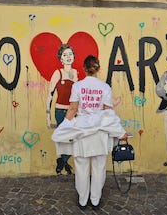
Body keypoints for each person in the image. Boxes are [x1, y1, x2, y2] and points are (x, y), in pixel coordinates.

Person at [52, 55, 128, 210]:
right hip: (100, 133)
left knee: (81, 168)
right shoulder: (105, 87)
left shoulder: (78, 86)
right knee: (99, 168)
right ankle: (95, 200)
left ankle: (82, 200)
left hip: (81, 132)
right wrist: (120, 132)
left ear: (84, 69)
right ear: (98, 69)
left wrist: (64, 127)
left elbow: (72, 109)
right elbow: (108, 113)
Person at [46, 44, 78, 175]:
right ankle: (64, 162)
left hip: (73, 112)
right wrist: (48, 117)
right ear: (61, 59)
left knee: (74, 139)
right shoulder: (57, 73)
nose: (68, 57)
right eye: (65, 55)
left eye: (70, 54)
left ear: (74, 57)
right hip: (60, 112)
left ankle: (62, 162)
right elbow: (50, 95)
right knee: (64, 139)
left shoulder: (76, 73)